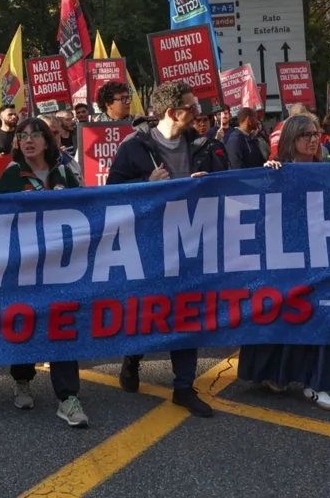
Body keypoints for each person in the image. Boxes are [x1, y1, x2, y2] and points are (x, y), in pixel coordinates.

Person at [106, 80, 229, 417]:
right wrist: (146, 185)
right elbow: (110, 191)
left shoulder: (203, 144)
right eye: (192, 106)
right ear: (173, 112)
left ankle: (183, 387)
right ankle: (132, 360)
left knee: (188, 312)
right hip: (148, 243)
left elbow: (226, 187)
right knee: (146, 311)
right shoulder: (134, 146)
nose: (199, 112)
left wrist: (209, 181)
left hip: (190, 241)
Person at [240, 115, 330, 411]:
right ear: (290, 138)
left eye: (316, 133)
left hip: (323, 255)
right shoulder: (275, 170)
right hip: (284, 256)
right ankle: (276, 373)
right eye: (304, 134)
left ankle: (317, 383)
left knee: (324, 315)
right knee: (285, 313)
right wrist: (265, 177)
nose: (313, 139)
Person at [0, 117, 89, 428]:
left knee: (62, 324)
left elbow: (87, 206)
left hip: (61, 265)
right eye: (22, 135)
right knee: (25, 322)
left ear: (47, 140)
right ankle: (22, 379)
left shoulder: (65, 171)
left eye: (35, 134)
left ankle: (68, 398)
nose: (28, 140)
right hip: (24, 265)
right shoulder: (10, 176)